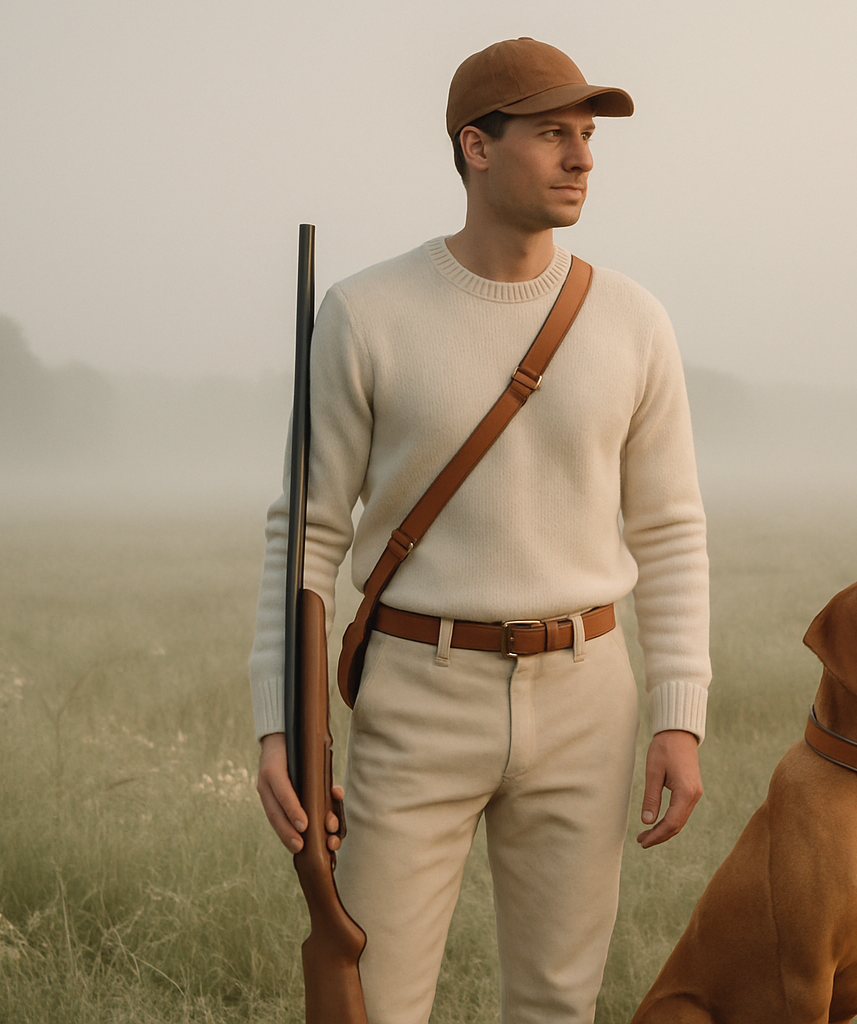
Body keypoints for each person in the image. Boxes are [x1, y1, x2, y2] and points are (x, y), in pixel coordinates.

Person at [247, 37, 710, 1024]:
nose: (583, 156)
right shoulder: (365, 313)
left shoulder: (634, 320)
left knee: (556, 1004)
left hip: (590, 691)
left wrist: (679, 710)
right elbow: (308, 535)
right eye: (554, 134)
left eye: (587, 135)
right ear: (476, 147)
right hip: (418, 691)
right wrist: (278, 716)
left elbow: (670, 529)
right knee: (371, 1001)